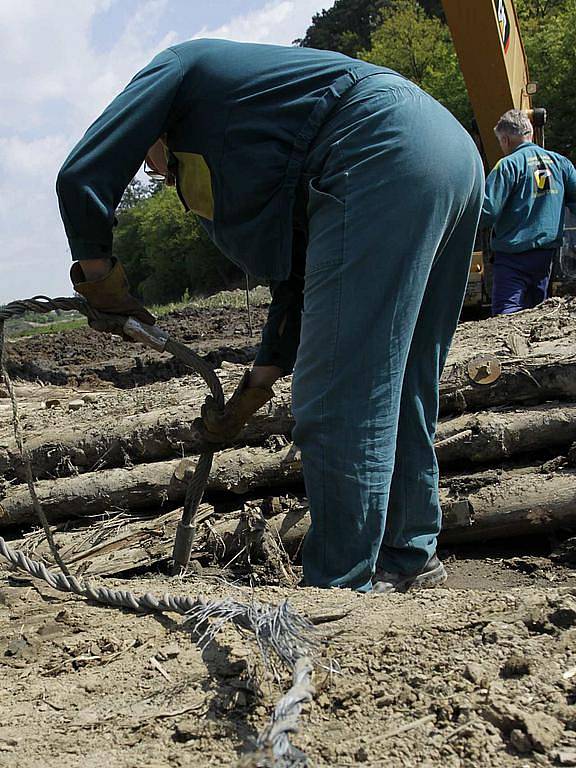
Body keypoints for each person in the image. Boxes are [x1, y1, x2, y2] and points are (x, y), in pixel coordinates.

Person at [57, 39, 483, 593]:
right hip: (448, 150)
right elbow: (299, 282)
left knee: (335, 396)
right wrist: (247, 397)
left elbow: (81, 177)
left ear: (152, 133)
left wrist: (101, 283)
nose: (155, 171)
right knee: (404, 382)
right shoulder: (263, 123)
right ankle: (409, 558)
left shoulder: (179, 71)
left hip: (380, 149)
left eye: (154, 161)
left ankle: (339, 588)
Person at [480, 109, 576, 316]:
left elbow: (487, 211)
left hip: (513, 256)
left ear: (505, 139)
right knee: (536, 314)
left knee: (507, 314)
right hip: (546, 255)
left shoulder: (507, 166)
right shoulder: (560, 163)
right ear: (530, 133)